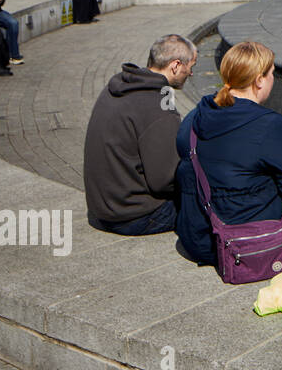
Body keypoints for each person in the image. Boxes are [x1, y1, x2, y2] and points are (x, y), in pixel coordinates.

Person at [174, 40, 282, 266]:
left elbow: (185, 153)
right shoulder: (272, 126)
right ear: (259, 80)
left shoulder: (197, 115)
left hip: (198, 235)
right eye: (271, 74)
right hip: (243, 239)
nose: (273, 80)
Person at [84, 35, 198, 236]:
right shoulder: (159, 106)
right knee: (207, 198)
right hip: (132, 216)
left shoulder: (119, 85)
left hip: (101, 207)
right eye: (190, 67)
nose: (191, 73)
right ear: (176, 65)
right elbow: (164, 180)